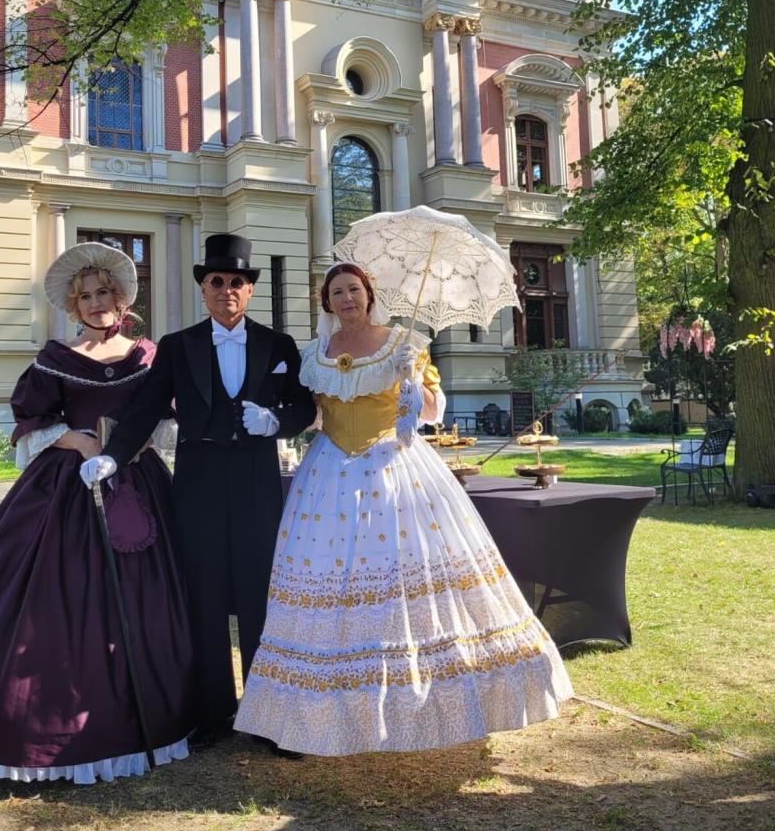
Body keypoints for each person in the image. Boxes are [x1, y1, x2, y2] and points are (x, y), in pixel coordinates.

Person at [233, 262, 573, 756]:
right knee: (325, 579)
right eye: (337, 292)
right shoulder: (315, 352)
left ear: (369, 295)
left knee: (400, 576)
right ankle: (310, 714)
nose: (347, 298)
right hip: (327, 475)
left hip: (393, 470)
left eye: (354, 289)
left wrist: (417, 384)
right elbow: (314, 413)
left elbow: (433, 412)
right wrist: (275, 420)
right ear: (326, 302)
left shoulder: (404, 343)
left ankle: (416, 706)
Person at [0, 244, 195, 783]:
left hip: (137, 480)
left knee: (147, 593)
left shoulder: (147, 355)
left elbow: (164, 416)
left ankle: (153, 710)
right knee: (49, 592)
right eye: (85, 297)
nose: (96, 303)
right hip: (67, 485)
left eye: (103, 293)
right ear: (73, 305)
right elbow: (33, 419)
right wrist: (77, 442)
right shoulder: (57, 357)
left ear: (122, 299)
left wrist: (129, 447)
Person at [83, 234, 317, 750]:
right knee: (205, 598)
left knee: (258, 598)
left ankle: (267, 714)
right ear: (203, 288)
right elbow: (146, 408)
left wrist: (276, 421)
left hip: (256, 481)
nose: (227, 289)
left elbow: (303, 406)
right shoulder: (177, 345)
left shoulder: (279, 345)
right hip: (199, 483)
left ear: (249, 290)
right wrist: (113, 456)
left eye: (236, 281)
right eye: (217, 281)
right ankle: (213, 714)